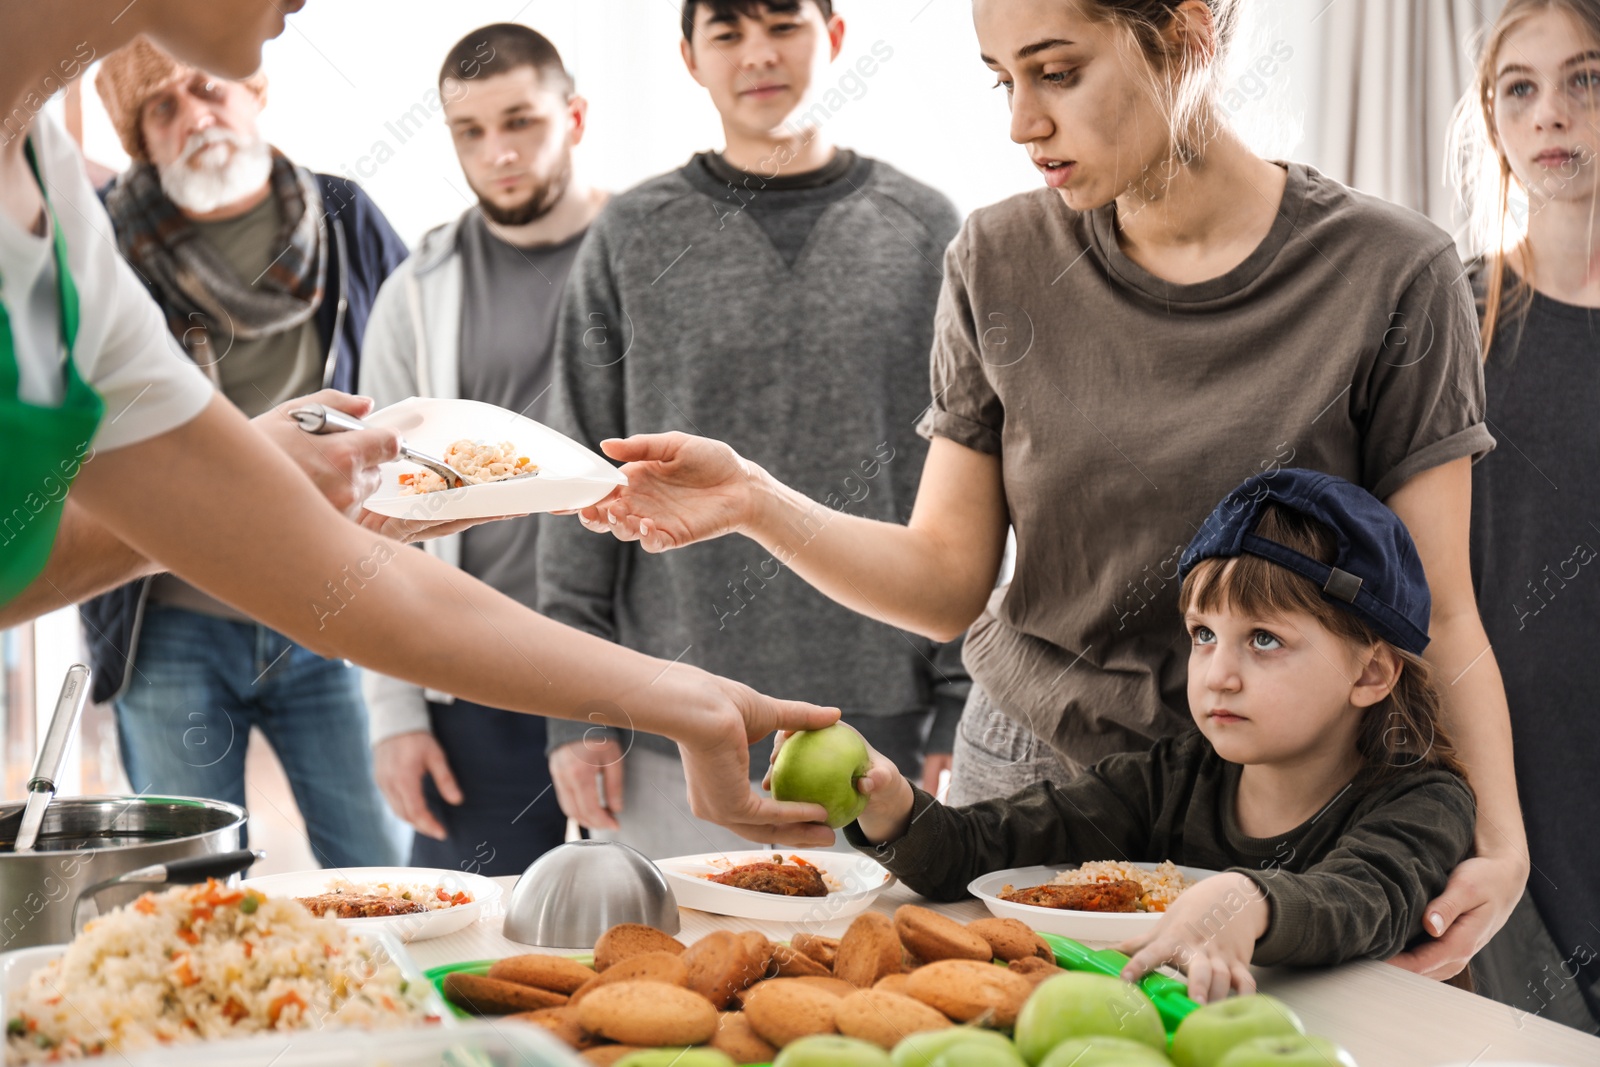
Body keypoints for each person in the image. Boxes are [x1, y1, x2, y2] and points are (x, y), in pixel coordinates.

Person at [569, 0, 1528, 977]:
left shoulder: (1391, 272)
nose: (1021, 121)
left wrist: (1500, 842)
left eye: (1057, 72)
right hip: (1033, 777)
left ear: (1187, 36)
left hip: (1286, 803)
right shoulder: (998, 257)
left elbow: (1436, 608)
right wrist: (756, 500)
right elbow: (947, 579)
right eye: (1002, 79)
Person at [0, 0, 840, 851]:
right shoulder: (108, 219)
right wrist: (251, 482)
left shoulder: (55, 191)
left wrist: (692, 706)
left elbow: (370, 583)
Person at [535, 0, 968, 858]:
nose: (758, 54)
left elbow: (963, 487)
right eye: (728, 32)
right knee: (677, 981)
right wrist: (576, 707)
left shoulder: (929, 230)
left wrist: (960, 697)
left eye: (784, 25)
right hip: (670, 719)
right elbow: (579, 472)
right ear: (691, 58)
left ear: (834, 36)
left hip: (879, 722)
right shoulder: (630, 235)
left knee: (868, 982)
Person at [835, 471, 1476, 1005]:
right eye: (1204, 634)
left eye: (1264, 640)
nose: (1218, 675)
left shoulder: (1423, 802)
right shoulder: (1167, 780)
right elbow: (982, 850)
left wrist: (1246, 899)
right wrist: (893, 809)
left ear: (1369, 672)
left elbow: (1367, 897)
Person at [72, 37, 408, 868]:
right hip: (172, 622)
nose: (195, 115)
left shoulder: (345, 216)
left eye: (207, 89)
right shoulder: (101, 246)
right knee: (195, 886)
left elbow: (411, 373)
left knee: (383, 878)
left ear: (253, 92)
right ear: (141, 139)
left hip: (334, 601)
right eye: (163, 107)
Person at [359, 23, 609, 873]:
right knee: (470, 957)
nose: (497, 152)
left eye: (521, 122)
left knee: (654, 951)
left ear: (573, 117)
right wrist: (396, 712)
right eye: (471, 131)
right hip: (474, 677)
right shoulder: (414, 295)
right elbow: (374, 514)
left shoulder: (648, 260)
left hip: (629, 670)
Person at [1451, 0, 1600, 1031]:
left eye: (1585, 79)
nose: (1551, 112)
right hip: (1499, 797)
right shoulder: (1455, 316)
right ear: (1494, 120)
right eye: (1521, 88)